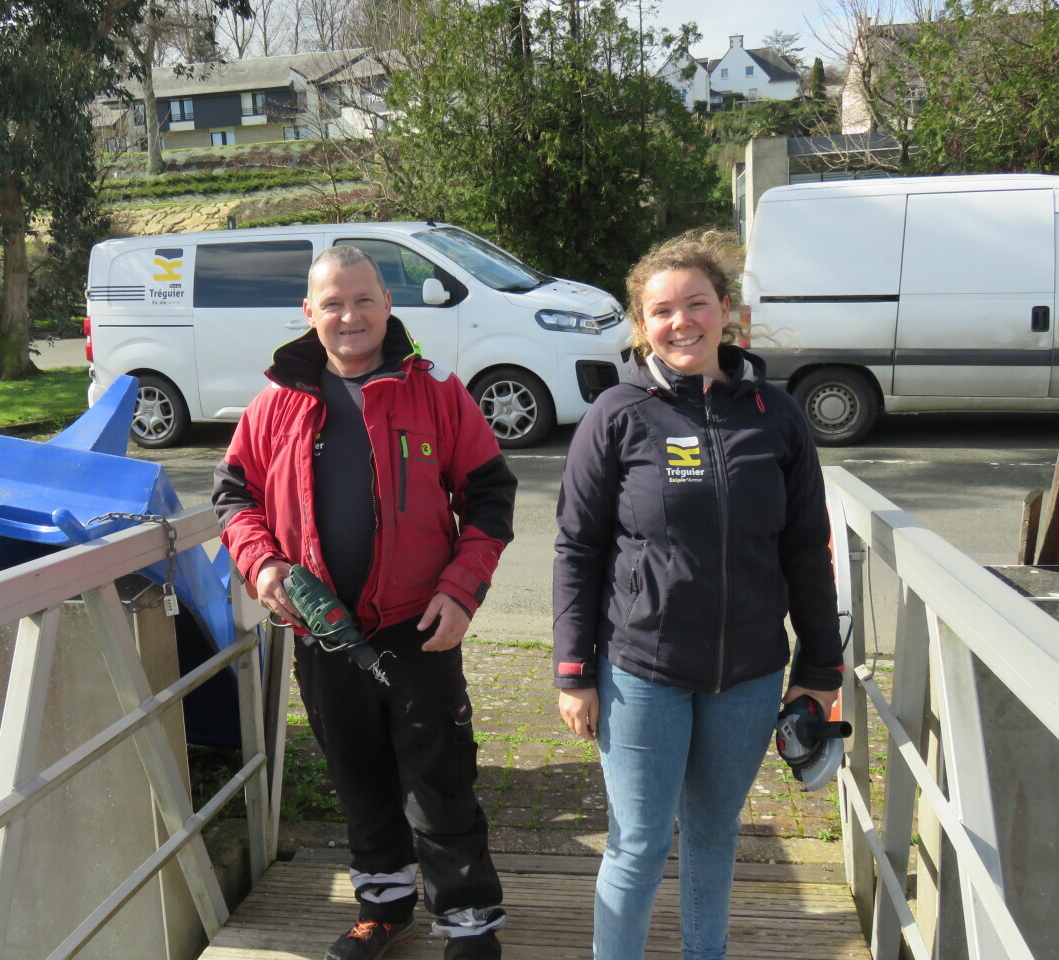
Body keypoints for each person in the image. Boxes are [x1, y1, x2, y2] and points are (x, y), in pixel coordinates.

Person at [213, 245, 517, 960]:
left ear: (387, 306)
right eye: (333, 303)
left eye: (363, 300)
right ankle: (384, 909)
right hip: (322, 633)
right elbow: (233, 498)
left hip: (420, 629)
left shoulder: (435, 391)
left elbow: (491, 497)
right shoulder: (276, 401)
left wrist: (462, 591)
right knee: (357, 777)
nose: (349, 316)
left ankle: (469, 923)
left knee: (439, 782)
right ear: (309, 313)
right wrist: (261, 568)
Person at [551, 230, 844, 960]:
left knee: (715, 835)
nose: (681, 322)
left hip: (747, 674)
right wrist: (573, 671)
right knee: (641, 842)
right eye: (662, 310)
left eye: (696, 304)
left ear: (726, 313)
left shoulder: (775, 417)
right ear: (641, 323)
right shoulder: (618, 414)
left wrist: (819, 669)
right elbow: (576, 548)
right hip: (640, 671)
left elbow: (807, 549)